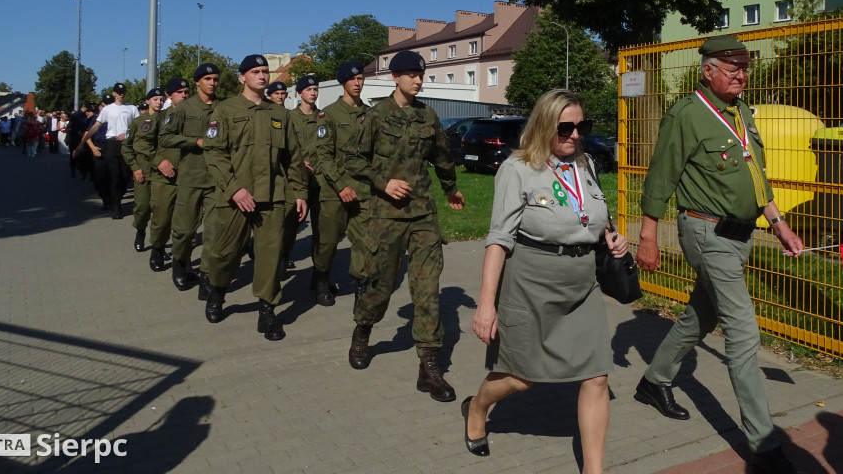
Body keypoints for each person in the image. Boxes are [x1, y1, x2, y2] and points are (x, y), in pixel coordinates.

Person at [635, 35, 806, 474]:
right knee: (744, 334)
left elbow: (756, 175)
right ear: (707, 70)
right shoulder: (687, 115)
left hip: (742, 234)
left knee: (701, 315)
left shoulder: (741, 111)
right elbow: (660, 177)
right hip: (706, 231)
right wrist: (648, 236)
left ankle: (654, 381)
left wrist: (780, 224)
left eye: (744, 69)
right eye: (732, 70)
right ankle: (764, 444)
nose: (741, 76)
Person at [462, 89, 628, 470]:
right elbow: (499, 241)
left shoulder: (585, 165)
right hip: (530, 283)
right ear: (543, 126)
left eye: (581, 126)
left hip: (581, 284)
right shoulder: (518, 168)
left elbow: (593, 217)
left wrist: (612, 238)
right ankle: (477, 408)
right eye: (564, 127)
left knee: (596, 376)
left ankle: (594, 469)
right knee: (521, 379)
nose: (574, 134)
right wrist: (486, 305)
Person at [345, 49, 464, 402]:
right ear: (395, 77)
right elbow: (353, 157)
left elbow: (442, 157)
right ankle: (363, 330)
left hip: (423, 213)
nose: (418, 79)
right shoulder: (377, 114)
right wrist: (383, 182)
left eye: (420, 73)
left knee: (427, 289)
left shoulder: (428, 115)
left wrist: (451, 188)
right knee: (380, 285)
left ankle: (428, 366)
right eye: (410, 73)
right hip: (386, 214)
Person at [202, 54, 308, 340]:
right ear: (242, 77)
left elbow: (293, 158)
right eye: (255, 72)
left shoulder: (280, 114)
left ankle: (267, 311)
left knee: (270, 256)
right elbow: (213, 152)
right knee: (225, 253)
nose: (262, 76)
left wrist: (299, 192)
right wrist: (234, 188)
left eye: (265, 71)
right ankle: (217, 292)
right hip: (235, 196)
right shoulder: (225, 110)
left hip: (272, 198)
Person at [313, 61, 371, 305]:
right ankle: (321, 278)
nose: (357, 83)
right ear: (342, 83)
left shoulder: (369, 113)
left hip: (363, 190)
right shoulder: (329, 114)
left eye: (360, 79)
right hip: (335, 191)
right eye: (352, 79)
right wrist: (340, 185)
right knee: (328, 242)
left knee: (364, 241)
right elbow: (323, 156)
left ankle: (361, 285)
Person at [159, 64, 220, 293]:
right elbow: (165, 138)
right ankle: (180, 264)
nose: (212, 83)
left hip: (216, 179)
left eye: (215, 79)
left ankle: (207, 275)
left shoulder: (223, 108)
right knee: (184, 230)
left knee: (214, 232)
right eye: (207, 79)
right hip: (190, 177)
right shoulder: (183, 109)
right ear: (198, 82)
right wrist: (194, 141)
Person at [285, 76, 327, 300]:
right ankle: (281, 262)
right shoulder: (289, 118)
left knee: (322, 232)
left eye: (315, 89)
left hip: (320, 183)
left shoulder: (324, 117)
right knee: (289, 227)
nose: (313, 92)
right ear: (299, 93)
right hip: (296, 182)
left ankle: (320, 278)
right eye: (308, 89)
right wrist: (299, 162)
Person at [146, 78, 190, 272]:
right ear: (169, 95)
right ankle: (157, 248)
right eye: (179, 92)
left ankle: (183, 260)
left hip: (188, 176)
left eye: (186, 92)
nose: (184, 95)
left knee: (186, 223)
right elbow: (142, 144)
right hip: (164, 177)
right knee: (162, 218)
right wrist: (159, 161)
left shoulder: (194, 115)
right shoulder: (159, 118)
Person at [76, 83, 138, 219]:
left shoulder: (132, 108)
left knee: (124, 176)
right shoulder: (108, 110)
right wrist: (82, 143)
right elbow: (95, 127)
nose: (121, 94)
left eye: (123, 92)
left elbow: (136, 126)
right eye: (118, 92)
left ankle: (118, 195)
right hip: (111, 144)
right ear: (114, 93)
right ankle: (116, 207)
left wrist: (127, 132)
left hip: (127, 144)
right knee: (114, 176)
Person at [123, 87, 165, 253]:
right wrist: (135, 168)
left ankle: (158, 244)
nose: (159, 102)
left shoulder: (167, 119)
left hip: (163, 173)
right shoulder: (138, 122)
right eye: (155, 99)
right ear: (148, 101)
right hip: (144, 172)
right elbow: (126, 147)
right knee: (142, 208)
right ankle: (140, 230)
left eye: (161, 99)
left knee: (161, 210)